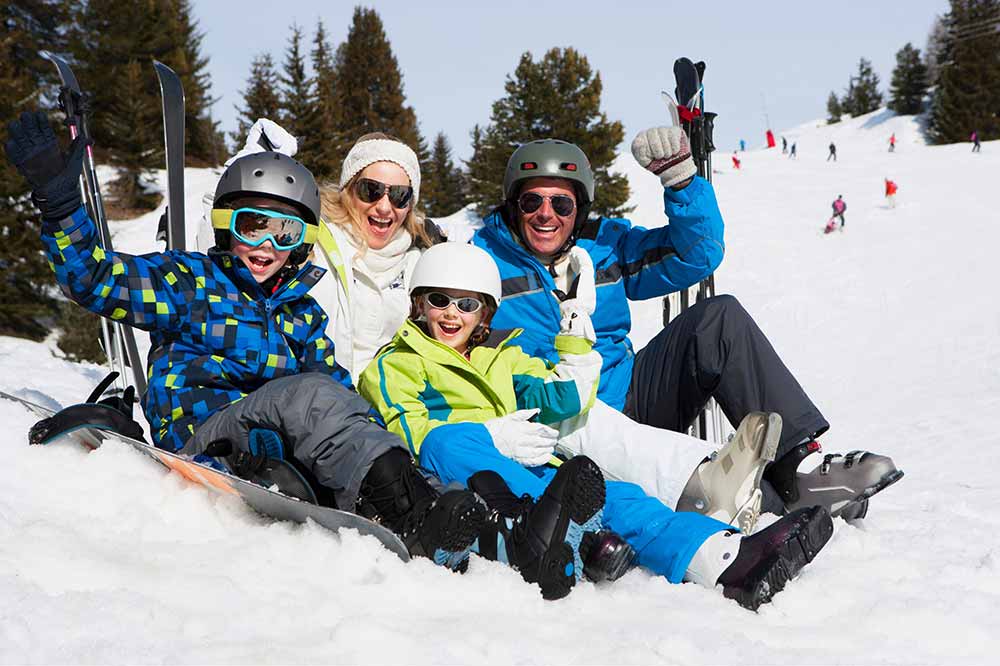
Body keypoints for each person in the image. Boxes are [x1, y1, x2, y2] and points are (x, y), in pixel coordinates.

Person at [3, 110, 489, 570]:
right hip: (205, 433)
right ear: (224, 223)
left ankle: (461, 519)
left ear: (301, 241)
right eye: (253, 226)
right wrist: (61, 203)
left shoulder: (303, 313)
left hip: (275, 444)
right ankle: (413, 517)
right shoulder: (188, 281)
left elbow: (339, 404)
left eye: (285, 232)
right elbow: (94, 278)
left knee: (348, 411)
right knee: (312, 396)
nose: (267, 246)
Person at [360, 242, 834, 610]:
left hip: (530, 466)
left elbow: (565, 399)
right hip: (458, 472)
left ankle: (725, 562)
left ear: (485, 313)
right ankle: (559, 533)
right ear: (418, 304)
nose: (451, 314)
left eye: (466, 305)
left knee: (617, 495)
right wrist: (490, 435)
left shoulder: (502, 357)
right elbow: (408, 434)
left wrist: (574, 333)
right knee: (447, 439)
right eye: (439, 300)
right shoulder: (397, 362)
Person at [470, 131, 903, 522]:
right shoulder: (481, 261)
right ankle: (749, 497)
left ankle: (797, 469)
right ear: (513, 204)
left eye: (561, 203)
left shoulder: (605, 245)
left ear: (579, 208)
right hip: (554, 417)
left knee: (718, 319)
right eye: (532, 202)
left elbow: (697, 255)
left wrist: (681, 182)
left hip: (628, 397)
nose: (546, 214)